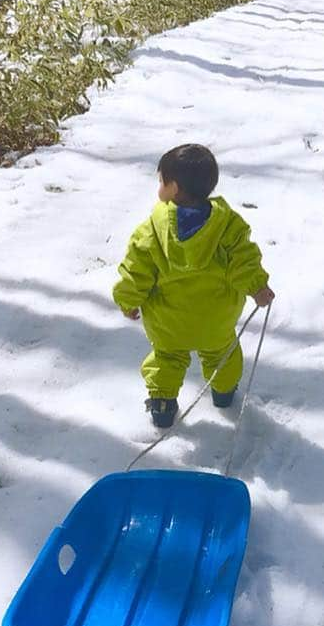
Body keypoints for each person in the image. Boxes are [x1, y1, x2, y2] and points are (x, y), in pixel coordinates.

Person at [113, 144, 275, 427]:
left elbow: (135, 271)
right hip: (216, 322)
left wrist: (127, 300)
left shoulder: (151, 231)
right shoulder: (228, 227)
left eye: (161, 181)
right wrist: (257, 286)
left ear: (174, 188)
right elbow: (244, 260)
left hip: (168, 324)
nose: (159, 187)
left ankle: (162, 405)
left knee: (167, 358)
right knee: (222, 354)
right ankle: (223, 392)